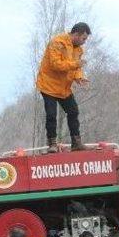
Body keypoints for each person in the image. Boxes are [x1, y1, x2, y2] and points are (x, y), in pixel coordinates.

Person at [36, 22, 91, 153]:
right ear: (76, 34)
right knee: (51, 114)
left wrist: (79, 76)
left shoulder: (78, 49)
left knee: (73, 111)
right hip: (48, 85)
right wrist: (76, 64)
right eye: (83, 38)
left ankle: (76, 143)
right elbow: (56, 65)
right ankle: (52, 144)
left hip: (63, 88)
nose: (84, 42)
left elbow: (75, 68)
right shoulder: (57, 42)